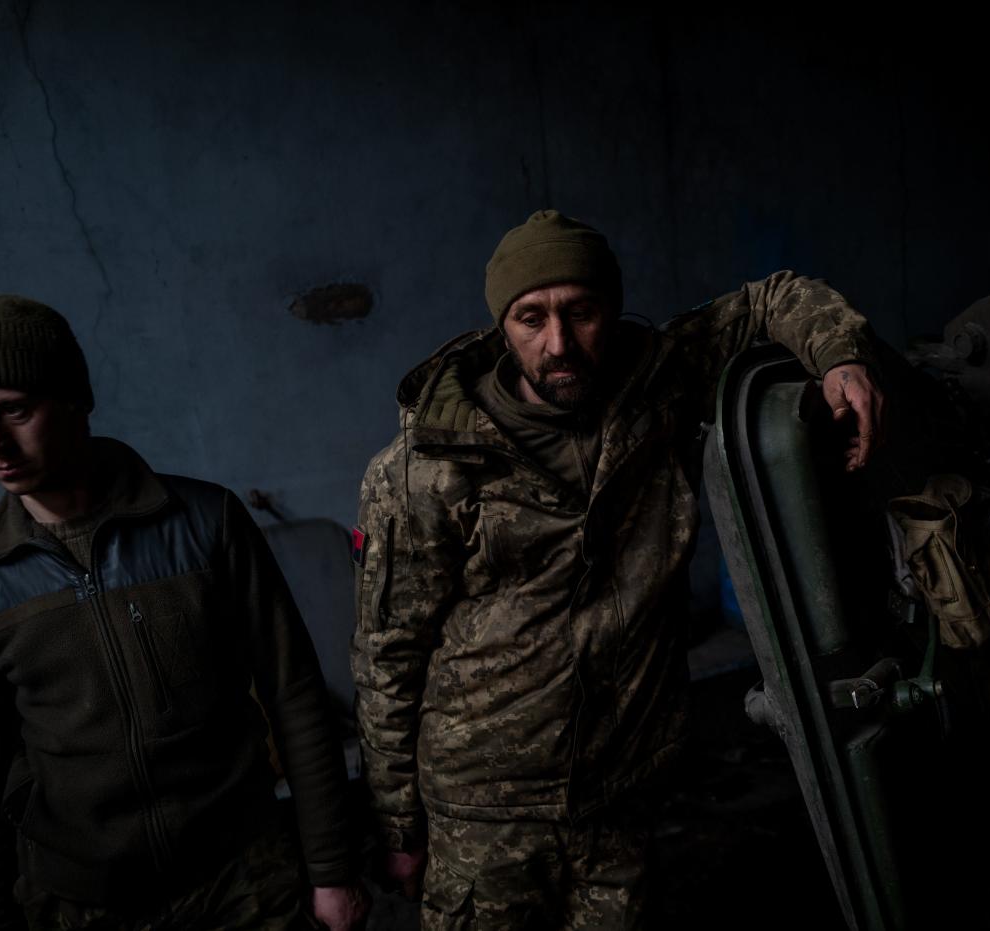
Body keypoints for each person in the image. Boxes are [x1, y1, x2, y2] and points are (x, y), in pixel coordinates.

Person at [350, 210, 884, 930]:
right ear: (500, 326)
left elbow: (771, 298)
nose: (558, 343)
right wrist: (399, 827)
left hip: (621, 789)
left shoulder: (657, 386)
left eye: (582, 312)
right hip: (485, 805)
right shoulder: (425, 468)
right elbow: (389, 654)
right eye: (530, 318)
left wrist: (838, 356)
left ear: (610, 306)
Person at [0, 296, 371, 931]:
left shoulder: (206, 523)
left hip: (246, 878)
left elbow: (294, 695)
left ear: (74, 399)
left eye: (14, 411)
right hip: (87, 905)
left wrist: (331, 868)